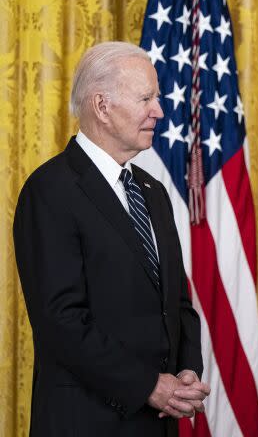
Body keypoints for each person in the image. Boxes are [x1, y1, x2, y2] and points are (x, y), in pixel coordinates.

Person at [13, 42, 210, 436]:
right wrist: (149, 386)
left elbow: (177, 301)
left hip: (158, 423)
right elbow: (61, 322)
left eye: (157, 97)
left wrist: (187, 369)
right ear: (102, 106)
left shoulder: (151, 190)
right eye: (146, 98)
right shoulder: (50, 190)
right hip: (87, 422)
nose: (159, 110)